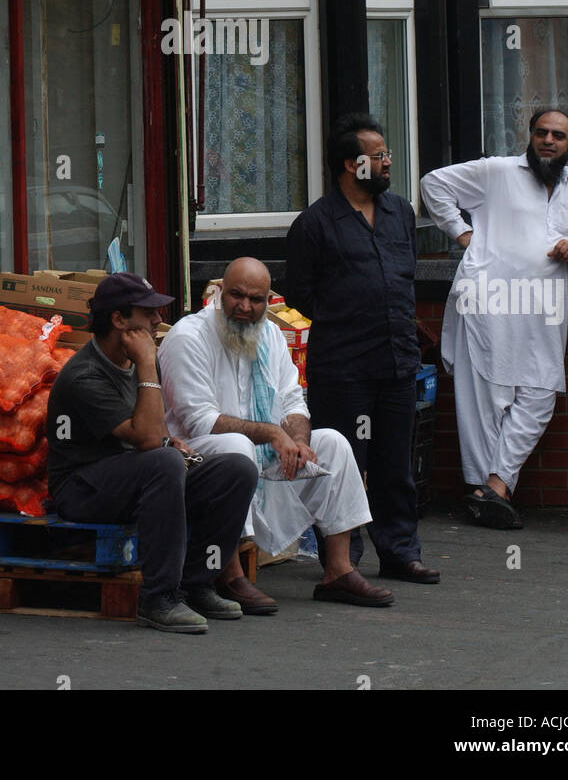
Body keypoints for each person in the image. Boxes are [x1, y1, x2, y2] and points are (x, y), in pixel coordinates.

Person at [158, 257, 394, 613]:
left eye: (256, 300)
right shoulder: (188, 336)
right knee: (237, 447)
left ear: (268, 300)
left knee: (332, 443)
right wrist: (270, 433)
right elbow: (199, 421)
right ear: (220, 292)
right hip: (196, 455)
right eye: (236, 295)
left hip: (257, 451)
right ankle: (228, 571)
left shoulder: (268, 333)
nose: (244, 306)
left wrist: (298, 441)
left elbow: (291, 398)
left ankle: (338, 571)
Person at [46, 272, 258, 633]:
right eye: (149, 313)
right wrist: (147, 365)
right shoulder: (84, 375)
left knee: (236, 469)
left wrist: (168, 441)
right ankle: (158, 598)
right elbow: (145, 440)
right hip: (82, 489)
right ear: (119, 320)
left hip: (130, 474)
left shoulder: (137, 359)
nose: (159, 321)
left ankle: (196, 583)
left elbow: (155, 432)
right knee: (162, 461)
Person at [420, 108, 568, 529]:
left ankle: (493, 489)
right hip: (488, 300)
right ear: (530, 136)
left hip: (544, 304)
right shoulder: (498, 171)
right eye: (541, 132)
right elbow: (433, 184)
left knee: (540, 392)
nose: (548, 140)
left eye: (558, 135)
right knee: (488, 397)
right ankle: (488, 492)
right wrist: (462, 233)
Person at [285, 113, 440, 585]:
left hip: (397, 361)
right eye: (379, 156)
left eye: (387, 154)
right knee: (345, 463)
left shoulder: (400, 213)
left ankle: (399, 553)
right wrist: (348, 311)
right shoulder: (315, 223)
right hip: (345, 365)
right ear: (352, 165)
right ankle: (343, 560)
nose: (388, 162)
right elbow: (299, 293)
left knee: (396, 466)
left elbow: (403, 274)